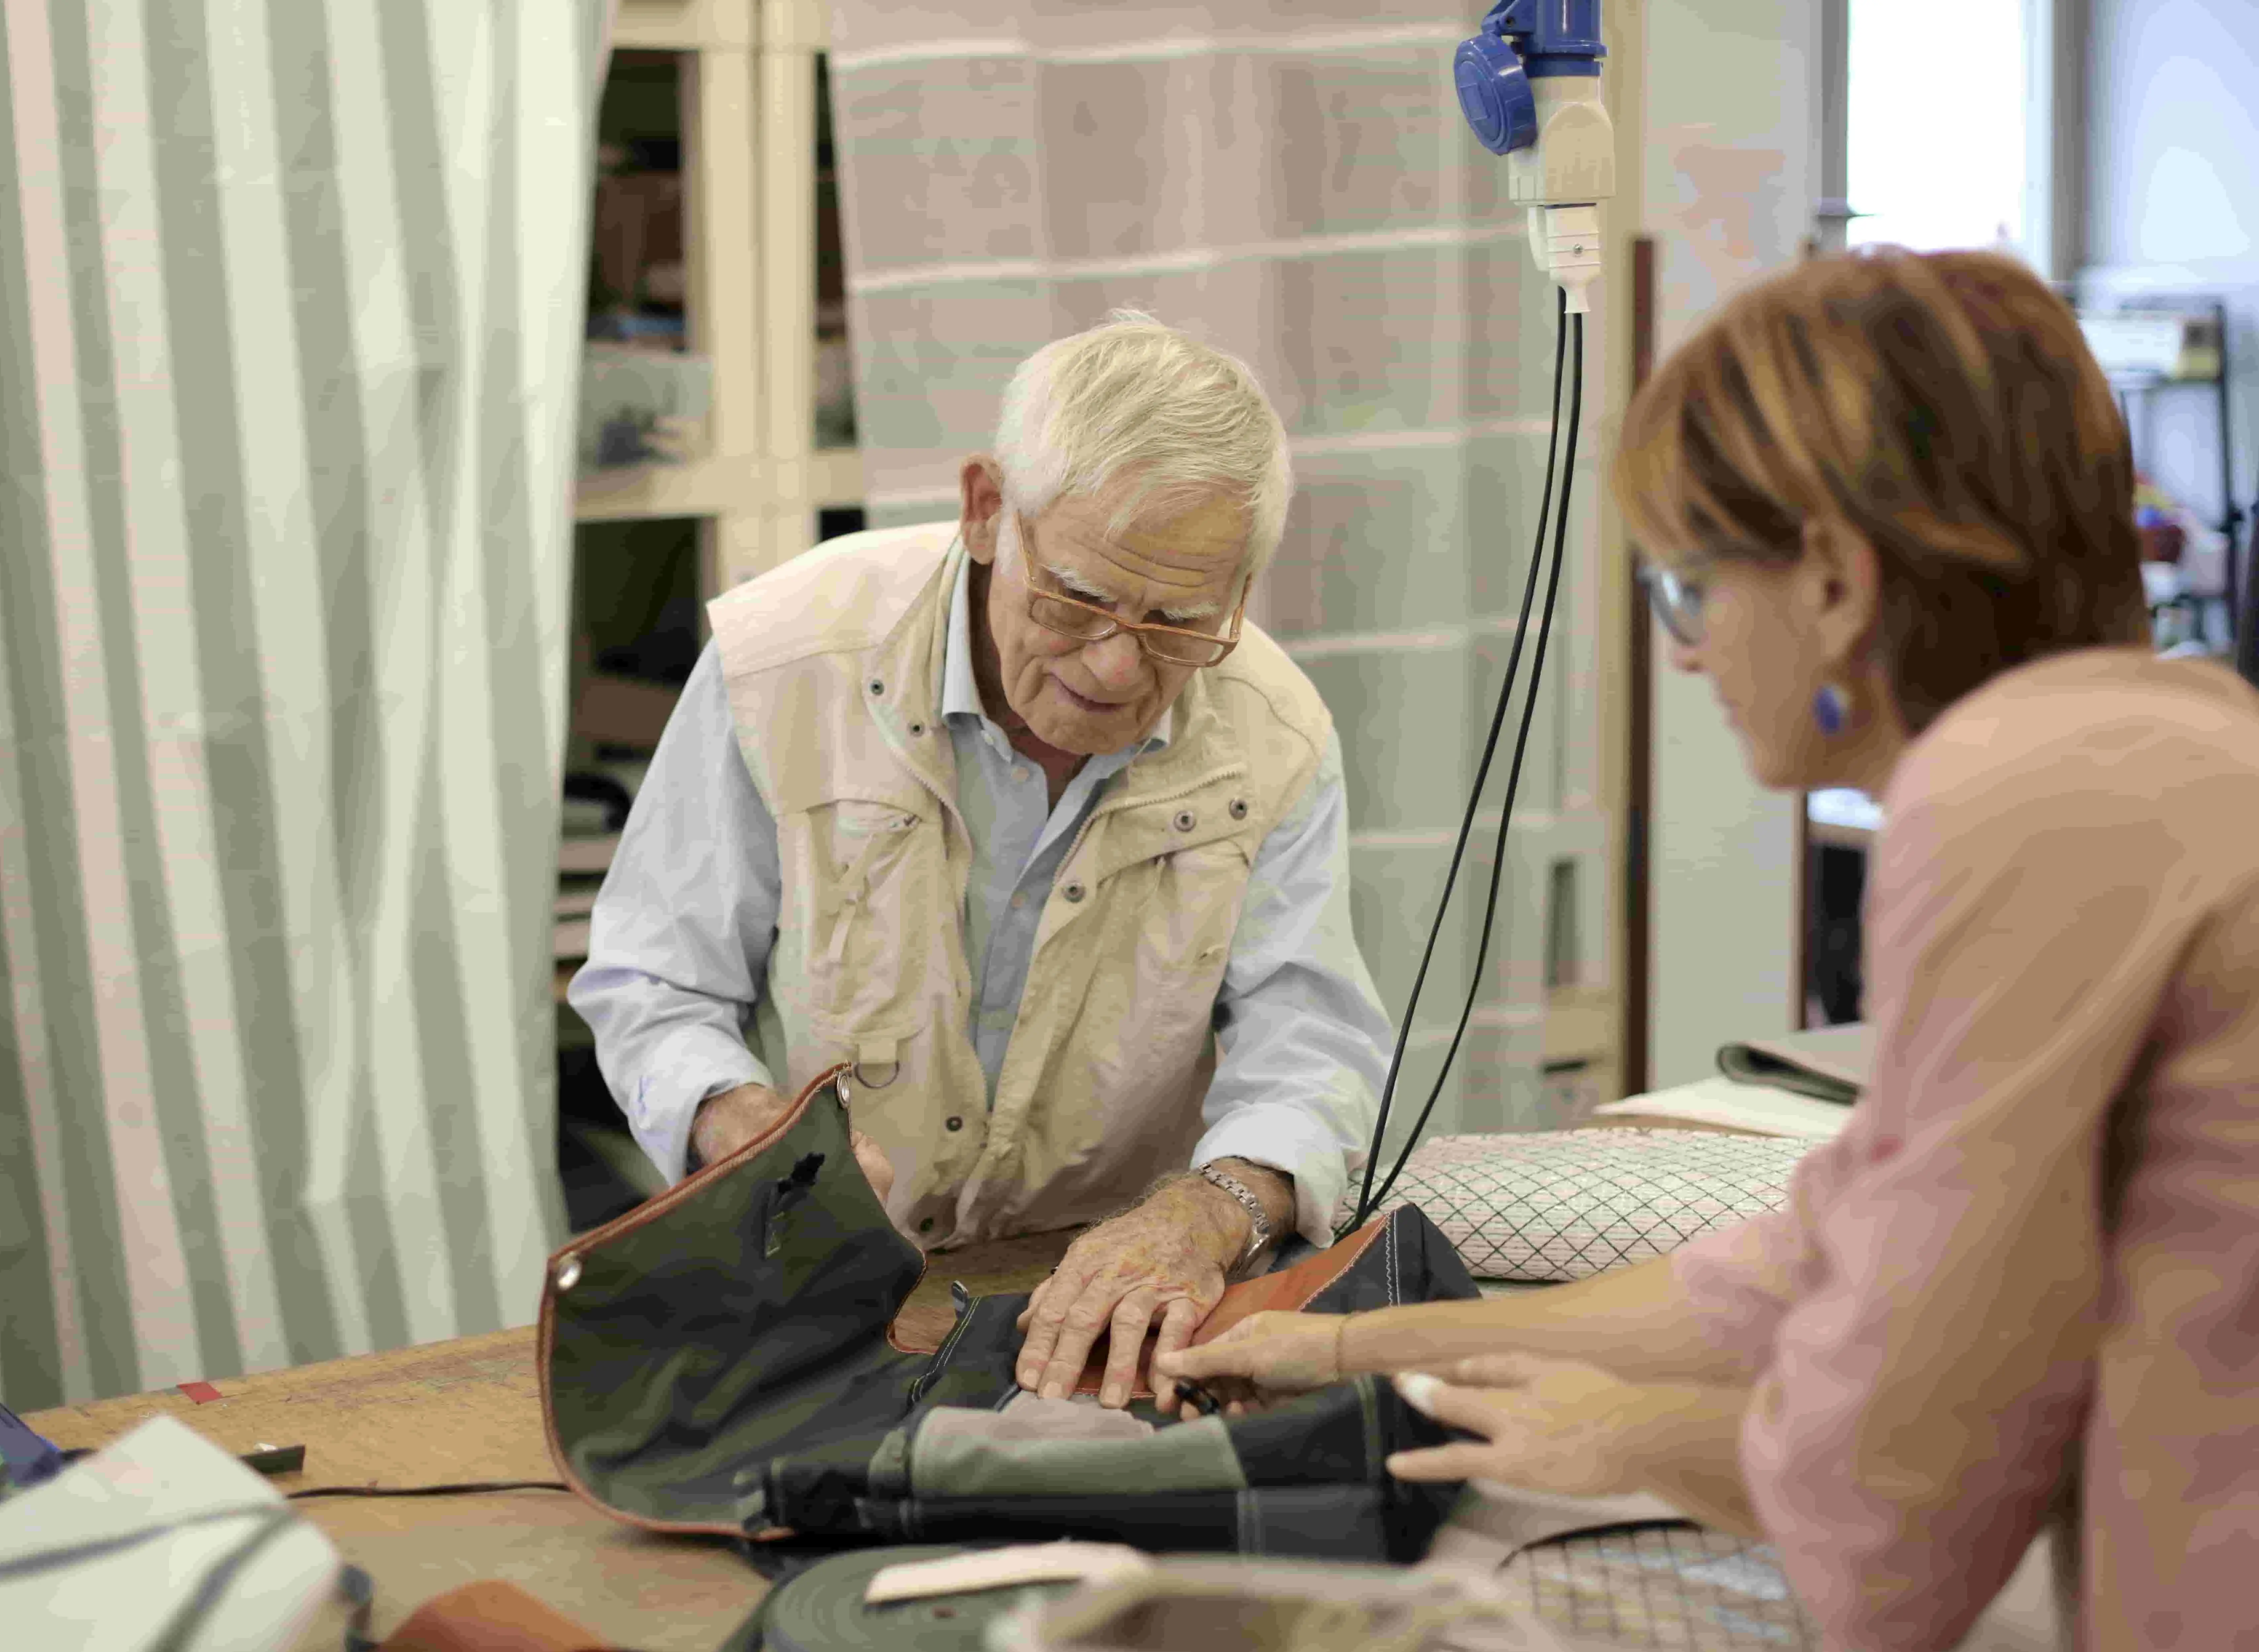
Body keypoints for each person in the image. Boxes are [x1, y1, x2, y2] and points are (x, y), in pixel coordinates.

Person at [1157, 248, 2259, 1649]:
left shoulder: (2019, 793)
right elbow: (1807, 1266)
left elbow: (1908, 1494)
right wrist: (1349, 1343)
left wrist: (1636, 1436)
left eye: (1687, 585)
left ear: (1836, 585)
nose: (1683, 650)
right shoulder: (2161, 740)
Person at [570, 312, 1393, 1412]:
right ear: (988, 510)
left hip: (1113, 1303)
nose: (1113, 666)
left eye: (1179, 622)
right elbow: (654, 982)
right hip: (818, 1290)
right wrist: (750, 1131)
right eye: (1080, 598)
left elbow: (1310, 1043)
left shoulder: (1274, 728)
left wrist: (1199, 1217)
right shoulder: (786, 660)